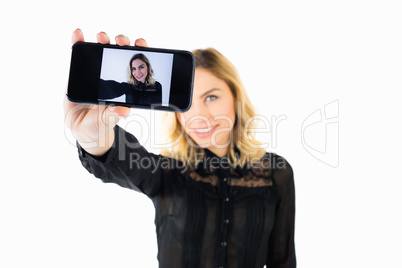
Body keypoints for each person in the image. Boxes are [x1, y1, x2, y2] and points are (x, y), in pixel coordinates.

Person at [64, 29, 296, 268]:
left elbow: (283, 261)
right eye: (188, 104)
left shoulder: (276, 172)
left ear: (236, 96)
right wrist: (92, 134)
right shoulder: (166, 172)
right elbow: (119, 158)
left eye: (211, 97)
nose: (199, 116)